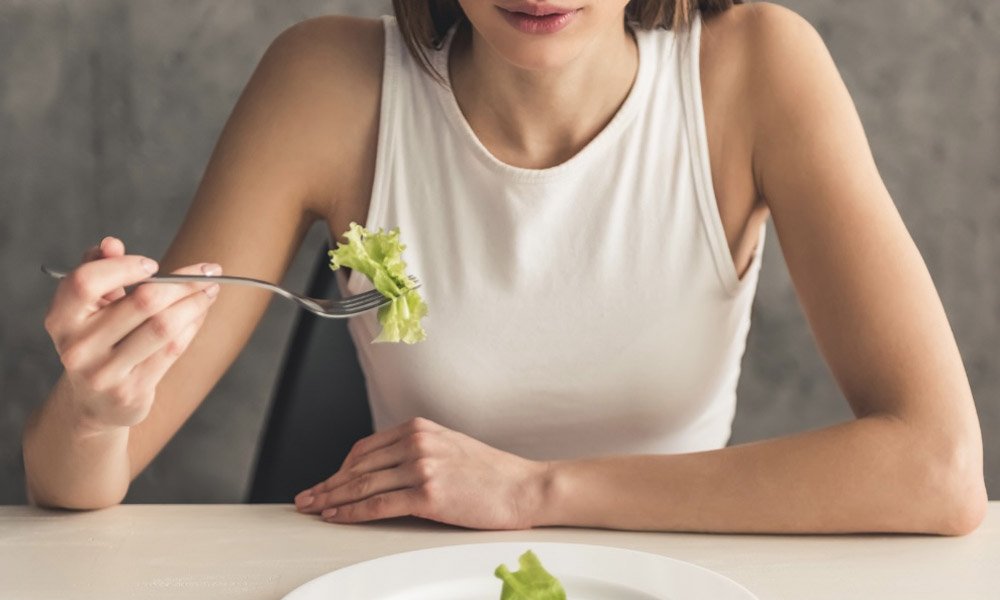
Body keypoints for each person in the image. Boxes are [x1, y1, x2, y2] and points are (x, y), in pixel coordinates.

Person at [23, 0, 987, 535]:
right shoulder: (325, 82)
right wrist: (98, 410)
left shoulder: (758, 69)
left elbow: (936, 468)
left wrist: (534, 493)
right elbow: (74, 485)